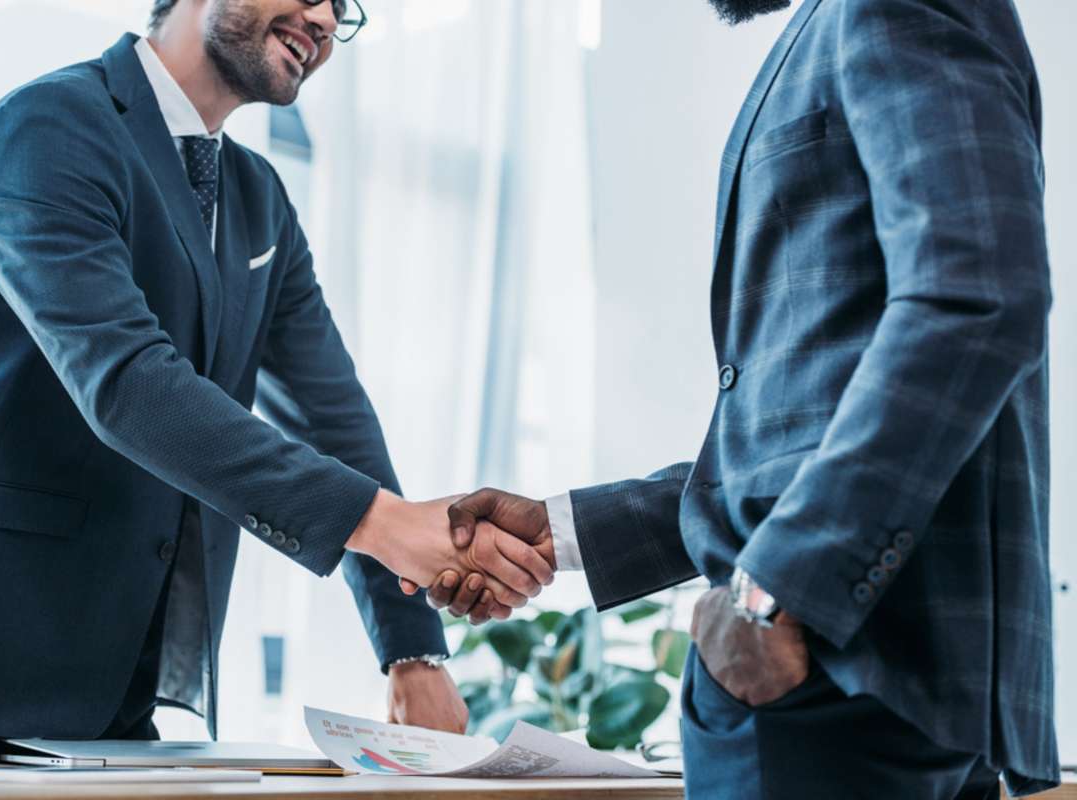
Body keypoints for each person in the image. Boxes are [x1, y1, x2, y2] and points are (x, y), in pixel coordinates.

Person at [0, 0, 551, 761]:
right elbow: (129, 384)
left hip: (109, 683)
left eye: (344, 6)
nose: (327, 19)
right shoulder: (47, 126)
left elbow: (335, 418)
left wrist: (412, 652)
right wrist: (389, 525)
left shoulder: (259, 197)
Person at [415, 0, 1057, 797]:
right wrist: (566, 532)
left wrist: (769, 592)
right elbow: (803, 436)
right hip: (875, 677)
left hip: (823, 664)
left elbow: (977, 299)